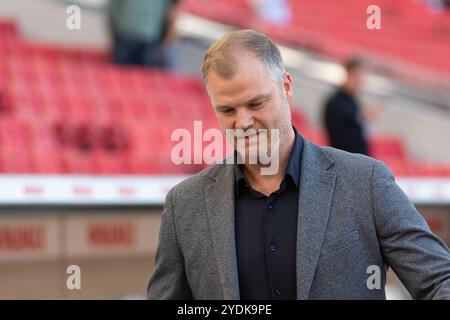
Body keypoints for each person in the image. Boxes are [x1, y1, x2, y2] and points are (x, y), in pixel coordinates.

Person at [147, 30, 450, 300]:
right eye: (227, 110)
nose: (243, 123)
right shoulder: (184, 205)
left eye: (256, 104)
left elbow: (438, 279)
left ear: (287, 87)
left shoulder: (365, 182)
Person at [108, 0, 179, 68]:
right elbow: (170, 12)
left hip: (126, 32)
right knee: (146, 76)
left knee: (120, 74)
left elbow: (112, 9)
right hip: (150, 34)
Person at [323, 57, 370, 155]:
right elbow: (341, 137)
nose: (360, 82)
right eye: (357, 77)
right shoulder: (335, 103)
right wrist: (359, 116)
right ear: (348, 74)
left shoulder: (353, 102)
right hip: (343, 159)